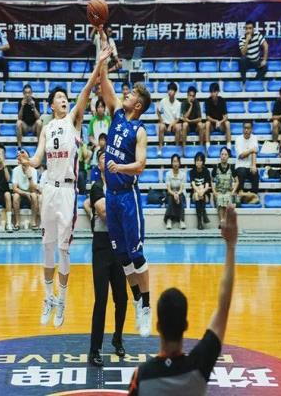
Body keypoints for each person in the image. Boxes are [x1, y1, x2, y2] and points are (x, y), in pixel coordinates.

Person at [17, 45, 108, 328]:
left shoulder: (73, 121)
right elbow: (38, 159)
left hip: (68, 191)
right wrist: (27, 162)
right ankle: (49, 298)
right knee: (47, 247)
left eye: (65, 97)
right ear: (51, 105)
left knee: (64, 249)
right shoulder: (46, 128)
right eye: (59, 98)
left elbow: (87, 89)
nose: (64, 100)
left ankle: (63, 301)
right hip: (49, 189)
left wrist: (99, 64)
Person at [128, 205, 238, 396]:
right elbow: (224, 307)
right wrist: (231, 245)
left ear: (158, 326)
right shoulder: (199, 365)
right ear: (186, 325)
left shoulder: (142, 376)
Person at [98, 26, 153, 337]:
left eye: (131, 94)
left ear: (139, 105)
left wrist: (120, 166)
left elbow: (141, 166)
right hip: (112, 197)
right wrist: (103, 56)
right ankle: (136, 300)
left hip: (128, 197)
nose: (126, 94)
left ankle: (146, 305)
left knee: (137, 255)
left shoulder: (140, 131)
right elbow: (104, 83)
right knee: (122, 258)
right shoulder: (117, 114)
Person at [88, 150, 128, 367]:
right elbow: (104, 213)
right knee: (101, 299)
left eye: (108, 156)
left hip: (119, 245)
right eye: (102, 157)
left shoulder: (121, 185)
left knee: (122, 298)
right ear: (99, 164)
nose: (106, 159)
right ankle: (94, 349)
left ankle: (117, 338)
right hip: (102, 245)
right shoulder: (96, 187)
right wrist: (122, 210)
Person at [12, 152, 39, 230]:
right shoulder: (15, 170)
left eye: (24, 156)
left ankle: (33, 222)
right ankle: (17, 223)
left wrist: (29, 176)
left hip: (30, 192)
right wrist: (25, 193)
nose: (22, 158)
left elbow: (33, 189)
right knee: (15, 196)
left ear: (28, 159)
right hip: (20, 192)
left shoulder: (33, 170)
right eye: (21, 157)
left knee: (34, 196)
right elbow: (14, 188)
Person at [212, 147, 238, 226]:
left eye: (225, 154)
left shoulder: (232, 168)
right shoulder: (216, 167)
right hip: (219, 191)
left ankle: (225, 221)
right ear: (220, 155)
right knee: (220, 198)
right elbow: (211, 181)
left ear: (228, 156)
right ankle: (222, 221)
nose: (223, 156)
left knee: (227, 198)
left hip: (228, 191)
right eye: (222, 154)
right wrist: (214, 192)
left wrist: (233, 192)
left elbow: (237, 181)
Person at [235, 120, 259, 195]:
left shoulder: (254, 138)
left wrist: (254, 165)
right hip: (240, 166)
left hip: (250, 166)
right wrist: (251, 150)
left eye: (248, 128)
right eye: (244, 128)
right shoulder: (238, 139)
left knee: (255, 173)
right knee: (241, 172)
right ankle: (240, 194)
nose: (246, 130)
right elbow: (241, 156)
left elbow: (254, 152)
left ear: (251, 129)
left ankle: (254, 195)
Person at [157, 82, 181, 156]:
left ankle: (176, 147)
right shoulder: (163, 101)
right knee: (161, 126)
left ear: (175, 92)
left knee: (178, 127)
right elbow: (158, 111)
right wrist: (161, 120)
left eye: (172, 90)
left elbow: (177, 119)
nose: (170, 92)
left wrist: (170, 125)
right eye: (169, 90)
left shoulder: (178, 104)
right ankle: (160, 148)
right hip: (165, 124)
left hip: (173, 125)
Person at [205, 82, 231, 150]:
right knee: (207, 123)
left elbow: (226, 116)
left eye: (214, 92)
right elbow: (207, 117)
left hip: (221, 124)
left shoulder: (222, 100)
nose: (213, 94)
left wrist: (220, 122)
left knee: (227, 123)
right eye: (211, 92)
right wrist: (215, 121)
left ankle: (229, 147)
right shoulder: (207, 101)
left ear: (218, 92)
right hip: (212, 125)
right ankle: (208, 147)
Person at [164, 154, 186, 230]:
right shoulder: (168, 174)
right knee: (171, 198)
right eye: (174, 161)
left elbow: (181, 189)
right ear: (171, 163)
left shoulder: (183, 174)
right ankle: (169, 220)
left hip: (180, 193)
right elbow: (168, 189)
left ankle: (181, 220)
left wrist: (177, 194)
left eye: (177, 161)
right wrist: (174, 194)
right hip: (170, 193)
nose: (175, 163)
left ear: (179, 163)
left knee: (180, 197)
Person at [17, 84, 42, 149]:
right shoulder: (20, 102)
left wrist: (34, 107)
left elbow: (38, 117)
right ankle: (19, 146)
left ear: (31, 93)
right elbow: (19, 118)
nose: (27, 95)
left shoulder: (35, 101)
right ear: (23, 94)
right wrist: (22, 106)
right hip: (25, 127)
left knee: (39, 122)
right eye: (25, 93)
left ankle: (39, 145)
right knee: (18, 122)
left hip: (34, 127)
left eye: (29, 92)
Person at [190, 152, 211, 231]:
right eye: (197, 160)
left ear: (203, 162)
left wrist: (202, 191)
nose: (198, 162)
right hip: (195, 193)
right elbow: (193, 185)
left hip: (205, 194)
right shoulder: (192, 171)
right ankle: (203, 215)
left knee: (201, 192)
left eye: (200, 160)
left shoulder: (206, 171)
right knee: (197, 195)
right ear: (195, 161)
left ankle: (199, 222)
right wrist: (199, 192)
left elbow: (207, 186)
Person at [181, 86, 205, 151]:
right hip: (188, 127)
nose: (191, 97)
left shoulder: (197, 103)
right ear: (187, 95)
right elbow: (184, 117)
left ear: (195, 96)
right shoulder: (184, 103)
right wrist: (191, 106)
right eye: (190, 95)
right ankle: (184, 148)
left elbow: (200, 119)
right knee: (185, 124)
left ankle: (201, 147)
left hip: (195, 126)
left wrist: (190, 121)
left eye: (193, 96)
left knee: (201, 125)